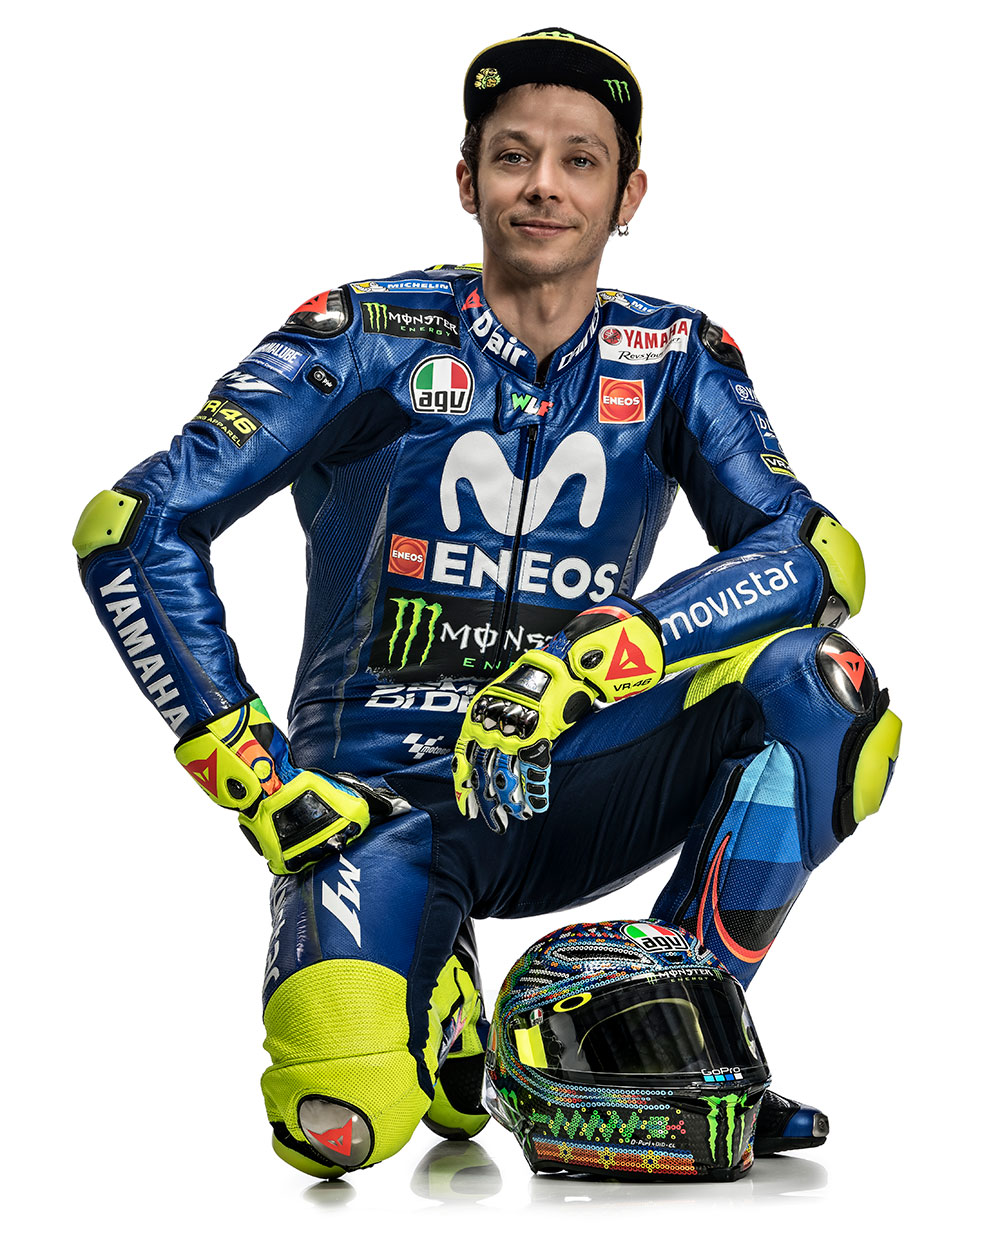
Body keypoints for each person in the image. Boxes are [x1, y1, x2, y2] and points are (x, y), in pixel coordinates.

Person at [72, 27, 900, 1179]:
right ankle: (441, 993)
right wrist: (251, 771)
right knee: (337, 1123)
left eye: (579, 160)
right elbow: (131, 528)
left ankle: (665, 1038)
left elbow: (814, 556)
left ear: (628, 197)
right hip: (378, 806)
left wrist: (604, 655)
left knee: (821, 688)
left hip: (570, 769)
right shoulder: (368, 332)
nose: (544, 185)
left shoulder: (678, 354)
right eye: (514, 156)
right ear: (467, 181)